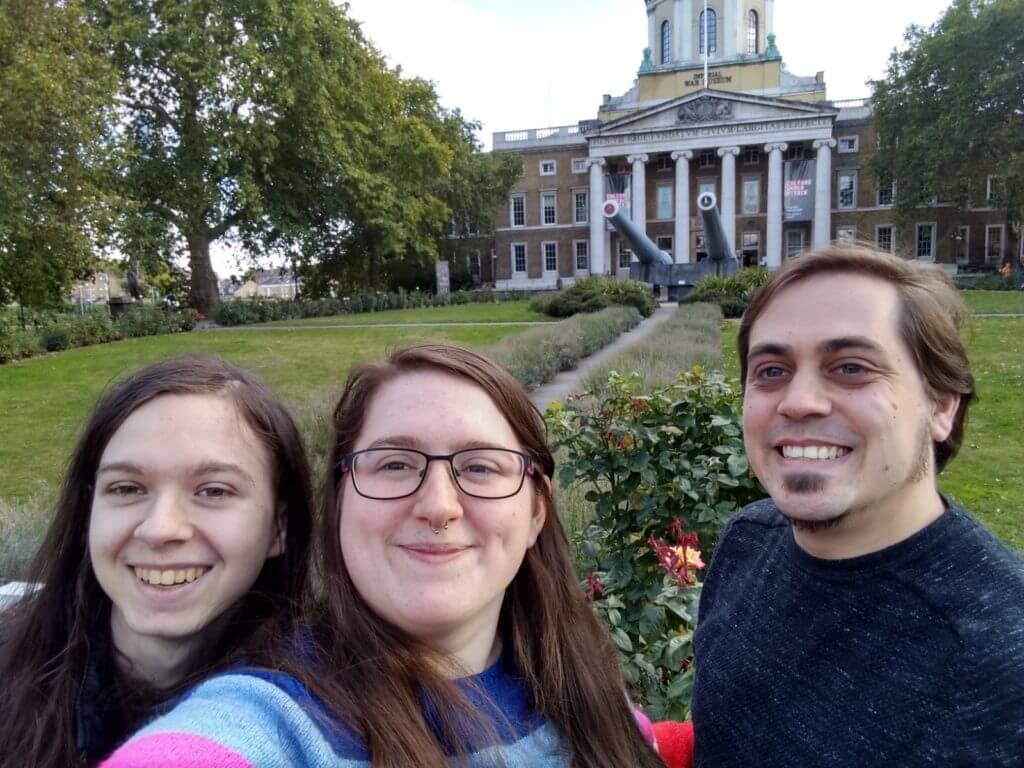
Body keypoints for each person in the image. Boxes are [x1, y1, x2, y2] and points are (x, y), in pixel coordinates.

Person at [102, 345, 668, 768]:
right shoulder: (274, 722)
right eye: (395, 464)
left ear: (537, 514)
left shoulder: (583, 686)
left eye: (480, 467)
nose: (438, 506)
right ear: (339, 502)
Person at [691, 245, 1024, 766]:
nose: (799, 401)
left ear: (940, 406)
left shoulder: (1000, 653)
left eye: (850, 367)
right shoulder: (746, 543)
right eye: (771, 371)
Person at [0, 356, 314, 768]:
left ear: (278, 528)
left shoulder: (317, 719)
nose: (160, 529)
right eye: (127, 488)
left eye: (214, 491)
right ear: (88, 514)